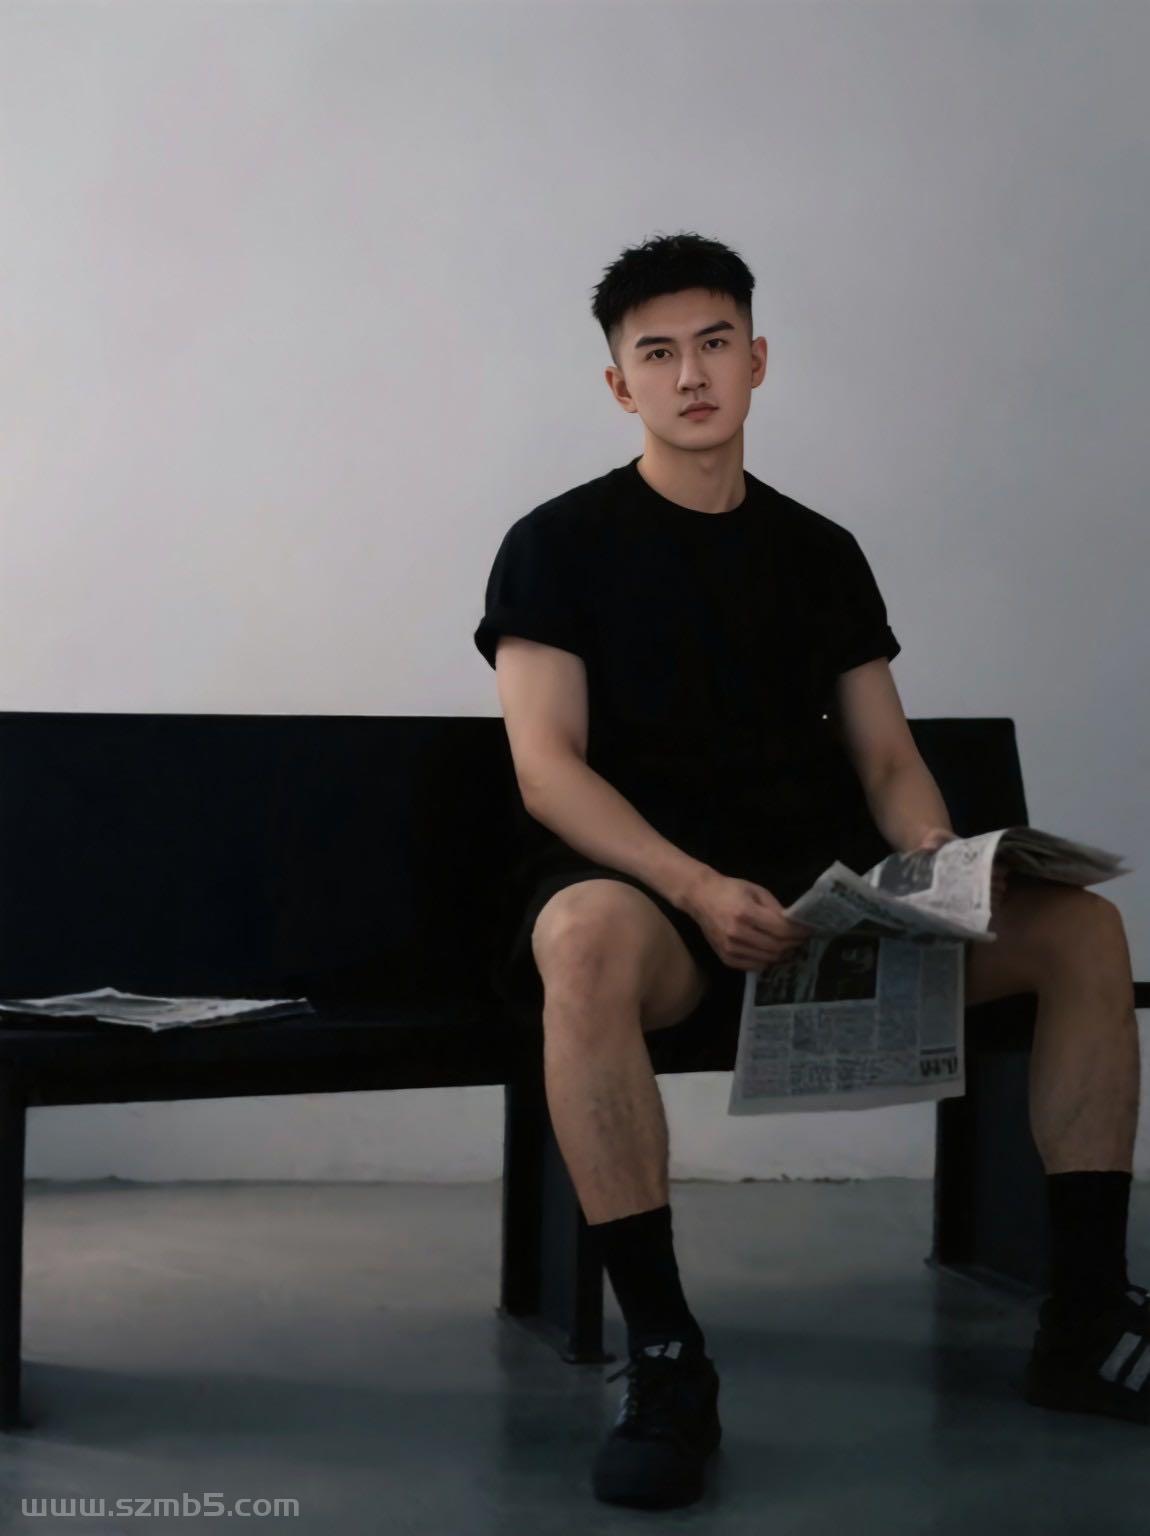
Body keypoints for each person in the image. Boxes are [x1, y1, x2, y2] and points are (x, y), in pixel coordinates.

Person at [473, 232, 1145, 1510]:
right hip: (655, 905)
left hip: (815, 903)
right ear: (619, 385)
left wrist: (937, 863)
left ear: (758, 359)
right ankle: (666, 1356)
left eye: (714, 343)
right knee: (581, 940)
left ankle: (1084, 1317)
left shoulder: (819, 550)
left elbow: (886, 758)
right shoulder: (555, 544)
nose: (690, 375)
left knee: (1084, 933)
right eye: (657, 354)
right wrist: (692, 887)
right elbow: (547, 772)